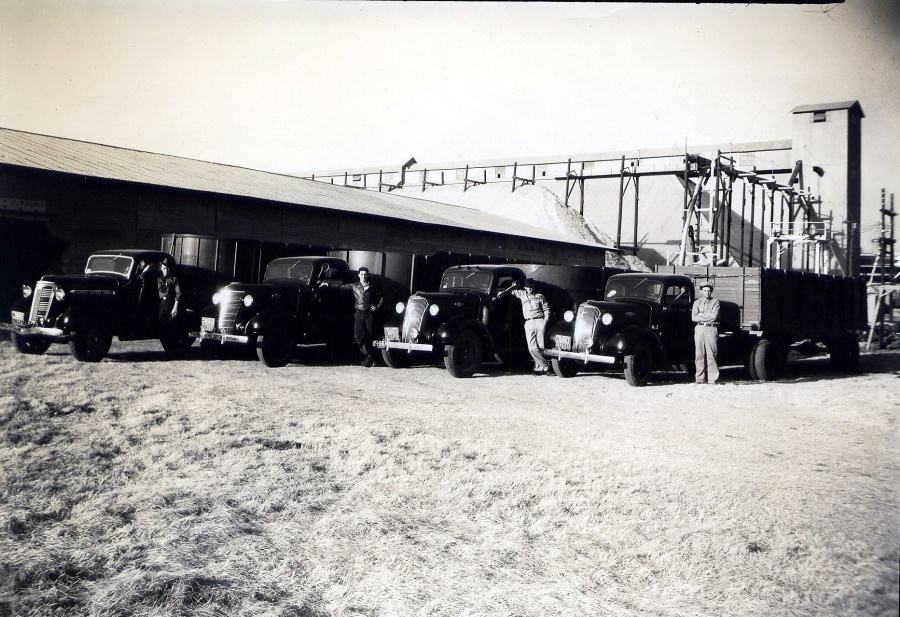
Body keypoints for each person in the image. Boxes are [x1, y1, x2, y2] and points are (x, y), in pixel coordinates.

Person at [499, 278, 552, 375]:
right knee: (532, 348)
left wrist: (545, 321)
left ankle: (539, 369)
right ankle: (546, 366)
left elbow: (546, 309)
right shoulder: (522, 294)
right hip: (528, 322)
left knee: (540, 347)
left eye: (531, 287)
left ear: (534, 287)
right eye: (528, 287)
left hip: (539, 321)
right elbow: (509, 291)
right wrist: (507, 289)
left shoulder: (540, 296)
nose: (529, 288)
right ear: (525, 287)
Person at [347, 267, 383, 367]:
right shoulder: (354, 286)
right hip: (359, 313)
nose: (363, 276)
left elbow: (382, 297)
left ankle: (369, 359)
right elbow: (341, 286)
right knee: (358, 336)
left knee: (369, 336)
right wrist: (326, 284)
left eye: (365, 274)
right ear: (359, 275)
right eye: (362, 274)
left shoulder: (372, 287)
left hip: (369, 314)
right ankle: (368, 355)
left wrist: (377, 306)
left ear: (368, 275)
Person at [692, 281, 720, 384]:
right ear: (701, 291)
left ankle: (713, 379)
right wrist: (707, 315)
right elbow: (694, 317)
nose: (707, 293)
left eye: (708, 291)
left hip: (711, 329)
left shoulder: (715, 302)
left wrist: (701, 314)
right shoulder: (697, 303)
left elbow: (714, 316)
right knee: (699, 354)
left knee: (711, 354)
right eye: (704, 291)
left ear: (711, 291)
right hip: (699, 328)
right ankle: (700, 379)